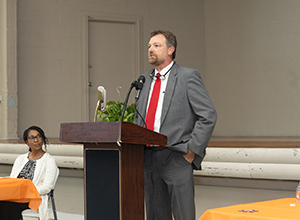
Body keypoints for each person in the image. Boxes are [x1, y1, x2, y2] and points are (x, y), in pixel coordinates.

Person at [134, 30, 217, 220]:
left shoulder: (188, 76)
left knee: (183, 215)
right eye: (149, 46)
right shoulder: (144, 80)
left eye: (156, 45)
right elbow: (140, 118)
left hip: (176, 156)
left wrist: (192, 151)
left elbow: (208, 115)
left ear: (171, 49)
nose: (150, 50)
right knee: (155, 215)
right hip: (148, 159)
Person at [0, 126, 58, 220]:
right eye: (32, 137)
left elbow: (47, 188)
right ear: (27, 142)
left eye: (39, 136)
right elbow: (13, 180)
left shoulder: (49, 160)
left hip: (33, 198)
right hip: (15, 195)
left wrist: (27, 191)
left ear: (42, 139)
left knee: (10, 206)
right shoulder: (20, 159)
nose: (36, 140)